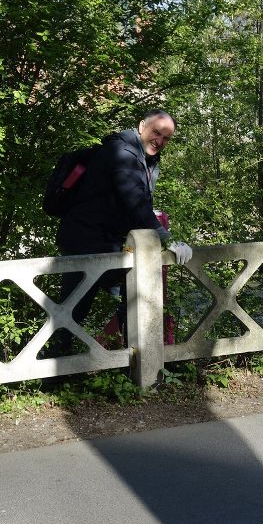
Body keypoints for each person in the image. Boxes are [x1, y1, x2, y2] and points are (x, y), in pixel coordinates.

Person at [52, 109, 192, 353]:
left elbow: (135, 206)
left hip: (111, 244)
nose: (159, 141)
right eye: (156, 133)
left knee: (135, 299)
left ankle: (135, 363)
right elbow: (134, 201)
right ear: (141, 126)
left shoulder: (144, 158)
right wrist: (167, 239)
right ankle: (51, 369)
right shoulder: (121, 153)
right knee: (72, 311)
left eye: (166, 138)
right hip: (85, 243)